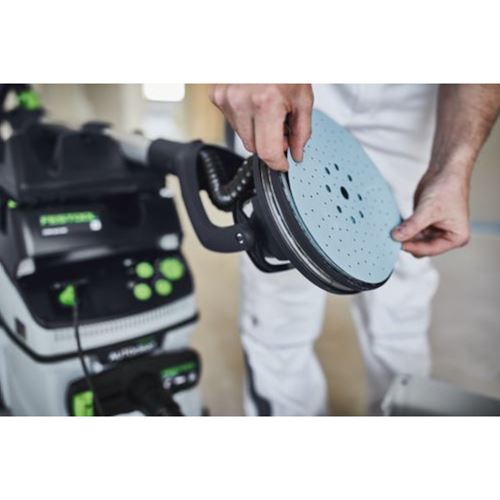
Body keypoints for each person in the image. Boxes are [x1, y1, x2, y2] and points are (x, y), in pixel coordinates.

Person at [210, 84, 500, 415]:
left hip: (413, 95)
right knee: (279, 300)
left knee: (401, 297)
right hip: (298, 84)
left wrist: (453, 167)